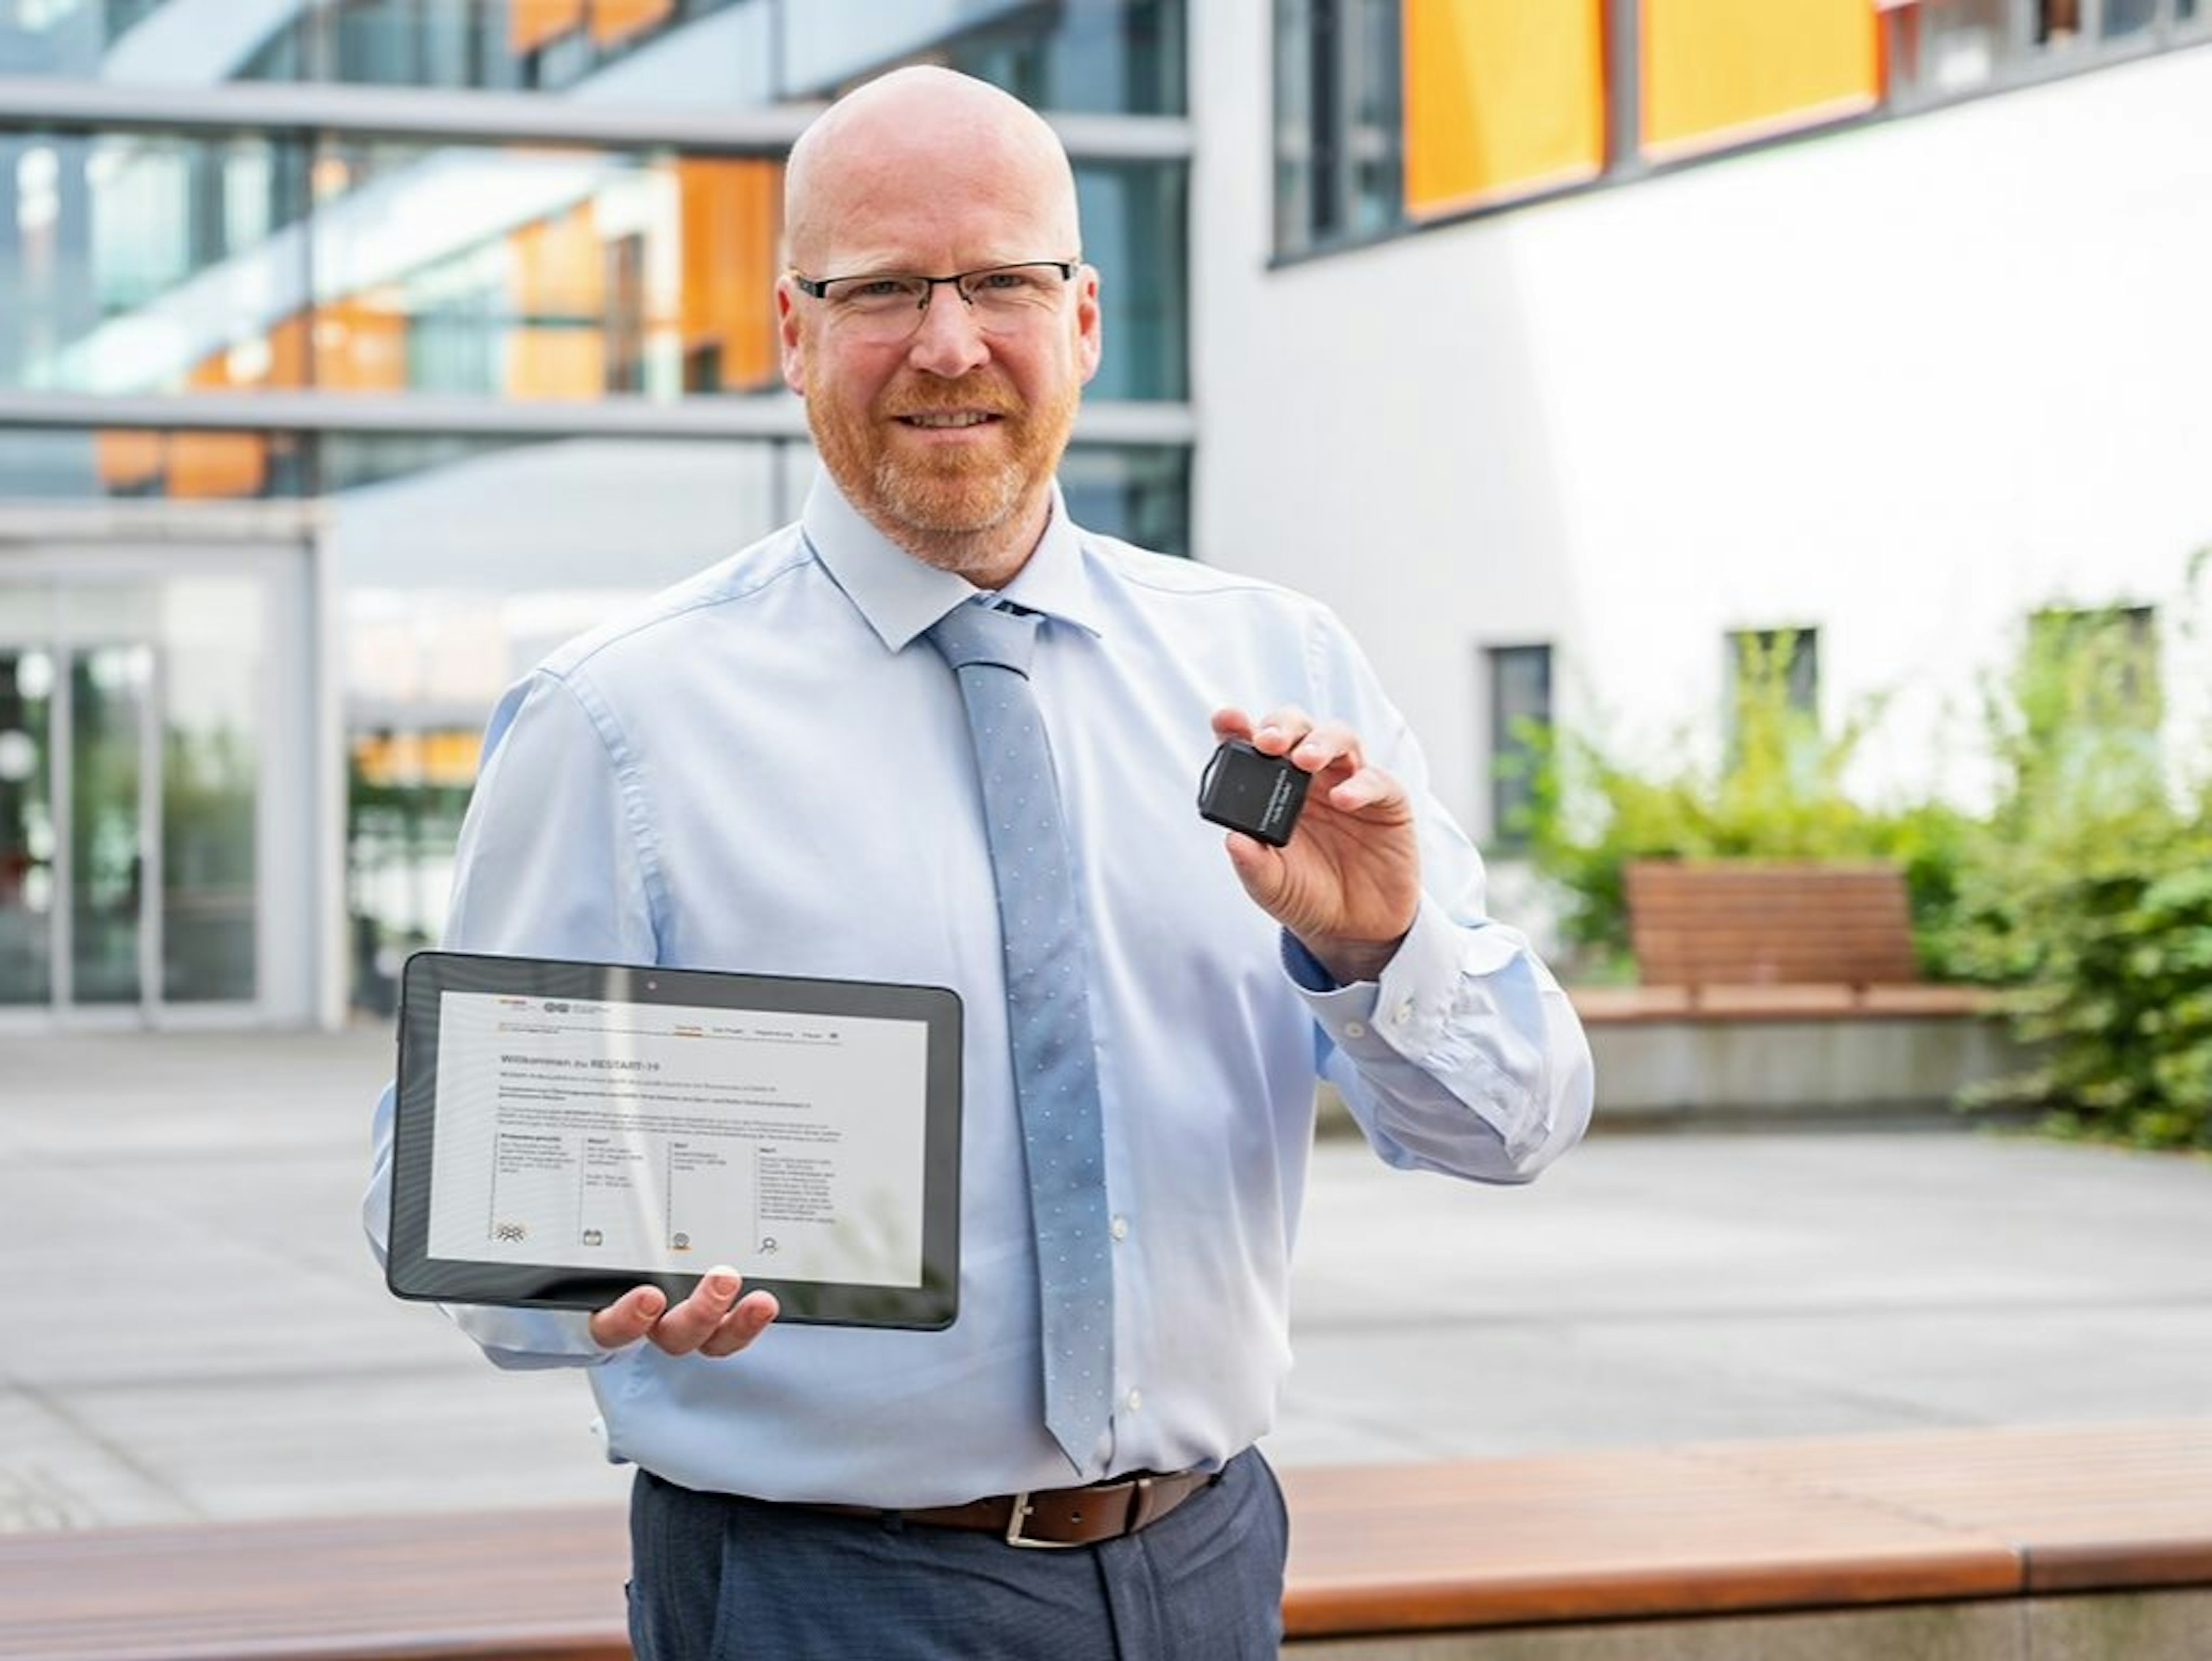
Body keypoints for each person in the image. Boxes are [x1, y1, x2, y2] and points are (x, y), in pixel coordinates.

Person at [365, 65, 1593, 1660]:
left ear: (1082, 317)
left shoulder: (1280, 667)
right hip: (819, 1594)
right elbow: (441, 1195)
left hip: (1205, 1567)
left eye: (1002, 281)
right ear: (794, 331)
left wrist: (1384, 950)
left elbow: (1519, 1121)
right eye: (882, 287)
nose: (949, 343)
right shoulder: (621, 722)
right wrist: (578, 1278)